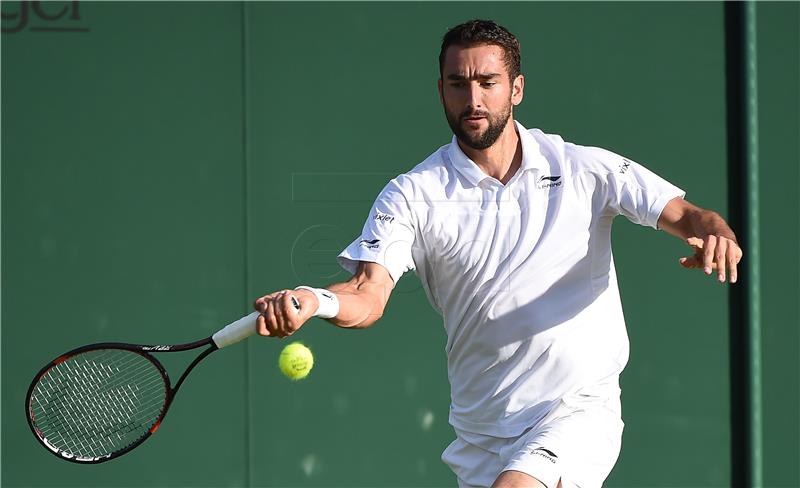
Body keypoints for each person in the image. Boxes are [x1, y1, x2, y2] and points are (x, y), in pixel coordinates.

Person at [253, 19, 742, 488]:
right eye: (457, 84)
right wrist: (316, 300)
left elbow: (691, 216)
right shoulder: (411, 194)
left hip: (575, 410)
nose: (473, 99)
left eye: (488, 82)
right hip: (482, 433)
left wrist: (715, 234)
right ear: (440, 89)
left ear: (517, 88)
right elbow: (367, 293)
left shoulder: (583, 170)